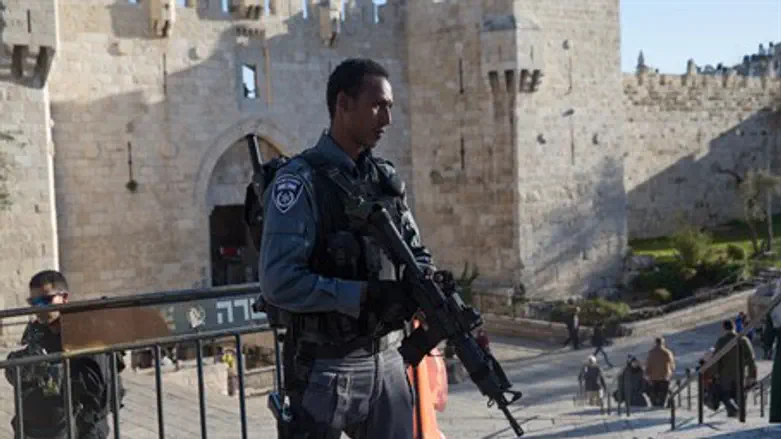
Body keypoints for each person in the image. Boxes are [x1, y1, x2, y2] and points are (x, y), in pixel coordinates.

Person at [258, 58, 434, 438]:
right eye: (377, 105)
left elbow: (415, 250)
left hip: (388, 362)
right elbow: (278, 280)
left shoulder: (384, 180)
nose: (387, 119)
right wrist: (361, 296)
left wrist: (427, 283)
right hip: (327, 369)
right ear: (343, 104)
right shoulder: (300, 182)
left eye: (390, 107)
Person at [5, 270, 124, 439]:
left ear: (64, 298)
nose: (39, 308)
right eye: (33, 302)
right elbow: (22, 368)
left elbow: (96, 389)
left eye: (46, 300)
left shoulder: (85, 330)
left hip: (81, 426)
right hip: (45, 426)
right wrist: (19, 367)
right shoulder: (38, 329)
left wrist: (51, 370)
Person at [713, 319, 758, 418]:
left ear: (723, 328)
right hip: (741, 373)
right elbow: (751, 359)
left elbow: (716, 359)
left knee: (725, 395)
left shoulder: (721, 341)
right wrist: (752, 374)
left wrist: (715, 374)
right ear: (734, 327)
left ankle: (733, 412)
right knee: (740, 395)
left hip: (725, 375)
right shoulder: (744, 340)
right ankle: (741, 414)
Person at [645, 337, 675, 408]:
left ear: (655, 343)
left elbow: (648, 365)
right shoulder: (667, 352)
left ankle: (655, 406)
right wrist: (670, 372)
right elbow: (672, 365)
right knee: (662, 395)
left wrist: (647, 374)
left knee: (654, 394)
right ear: (663, 343)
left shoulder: (651, 353)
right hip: (664, 377)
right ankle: (661, 406)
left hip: (653, 378)